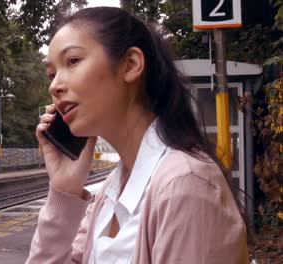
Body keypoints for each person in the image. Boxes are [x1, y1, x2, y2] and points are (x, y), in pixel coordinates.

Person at [26, 6, 248, 264]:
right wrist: (64, 190)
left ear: (131, 65)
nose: (54, 85)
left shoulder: (185, 186)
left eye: (73, 61)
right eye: (51, 74)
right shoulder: (111, 189)